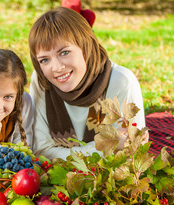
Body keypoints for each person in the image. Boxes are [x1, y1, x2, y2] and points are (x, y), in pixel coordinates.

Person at [28, 7, 146, 160]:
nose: (56, 68)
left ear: (85, 47)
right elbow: (41, 151)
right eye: (44, 60)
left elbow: (130, 154)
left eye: (64, 52)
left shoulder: (121, 82)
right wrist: (101, 147)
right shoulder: (42, 81)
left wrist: (63, 155)